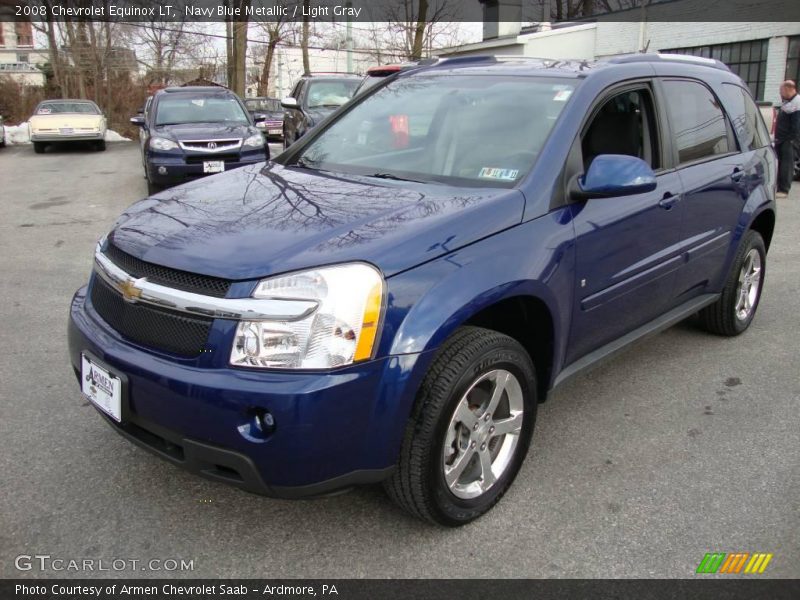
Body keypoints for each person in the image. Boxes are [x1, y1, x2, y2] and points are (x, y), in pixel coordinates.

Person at [775, 80, 800, 198]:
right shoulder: (788, 102)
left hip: (789, 140)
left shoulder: (797, 103)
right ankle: (779, 187)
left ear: (788, 89)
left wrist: (791, 140)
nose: (780, 94)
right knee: (780, 163)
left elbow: (797, 125)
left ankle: (784, 190)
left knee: (787, 164)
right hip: (781, 139)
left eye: (781, 91)